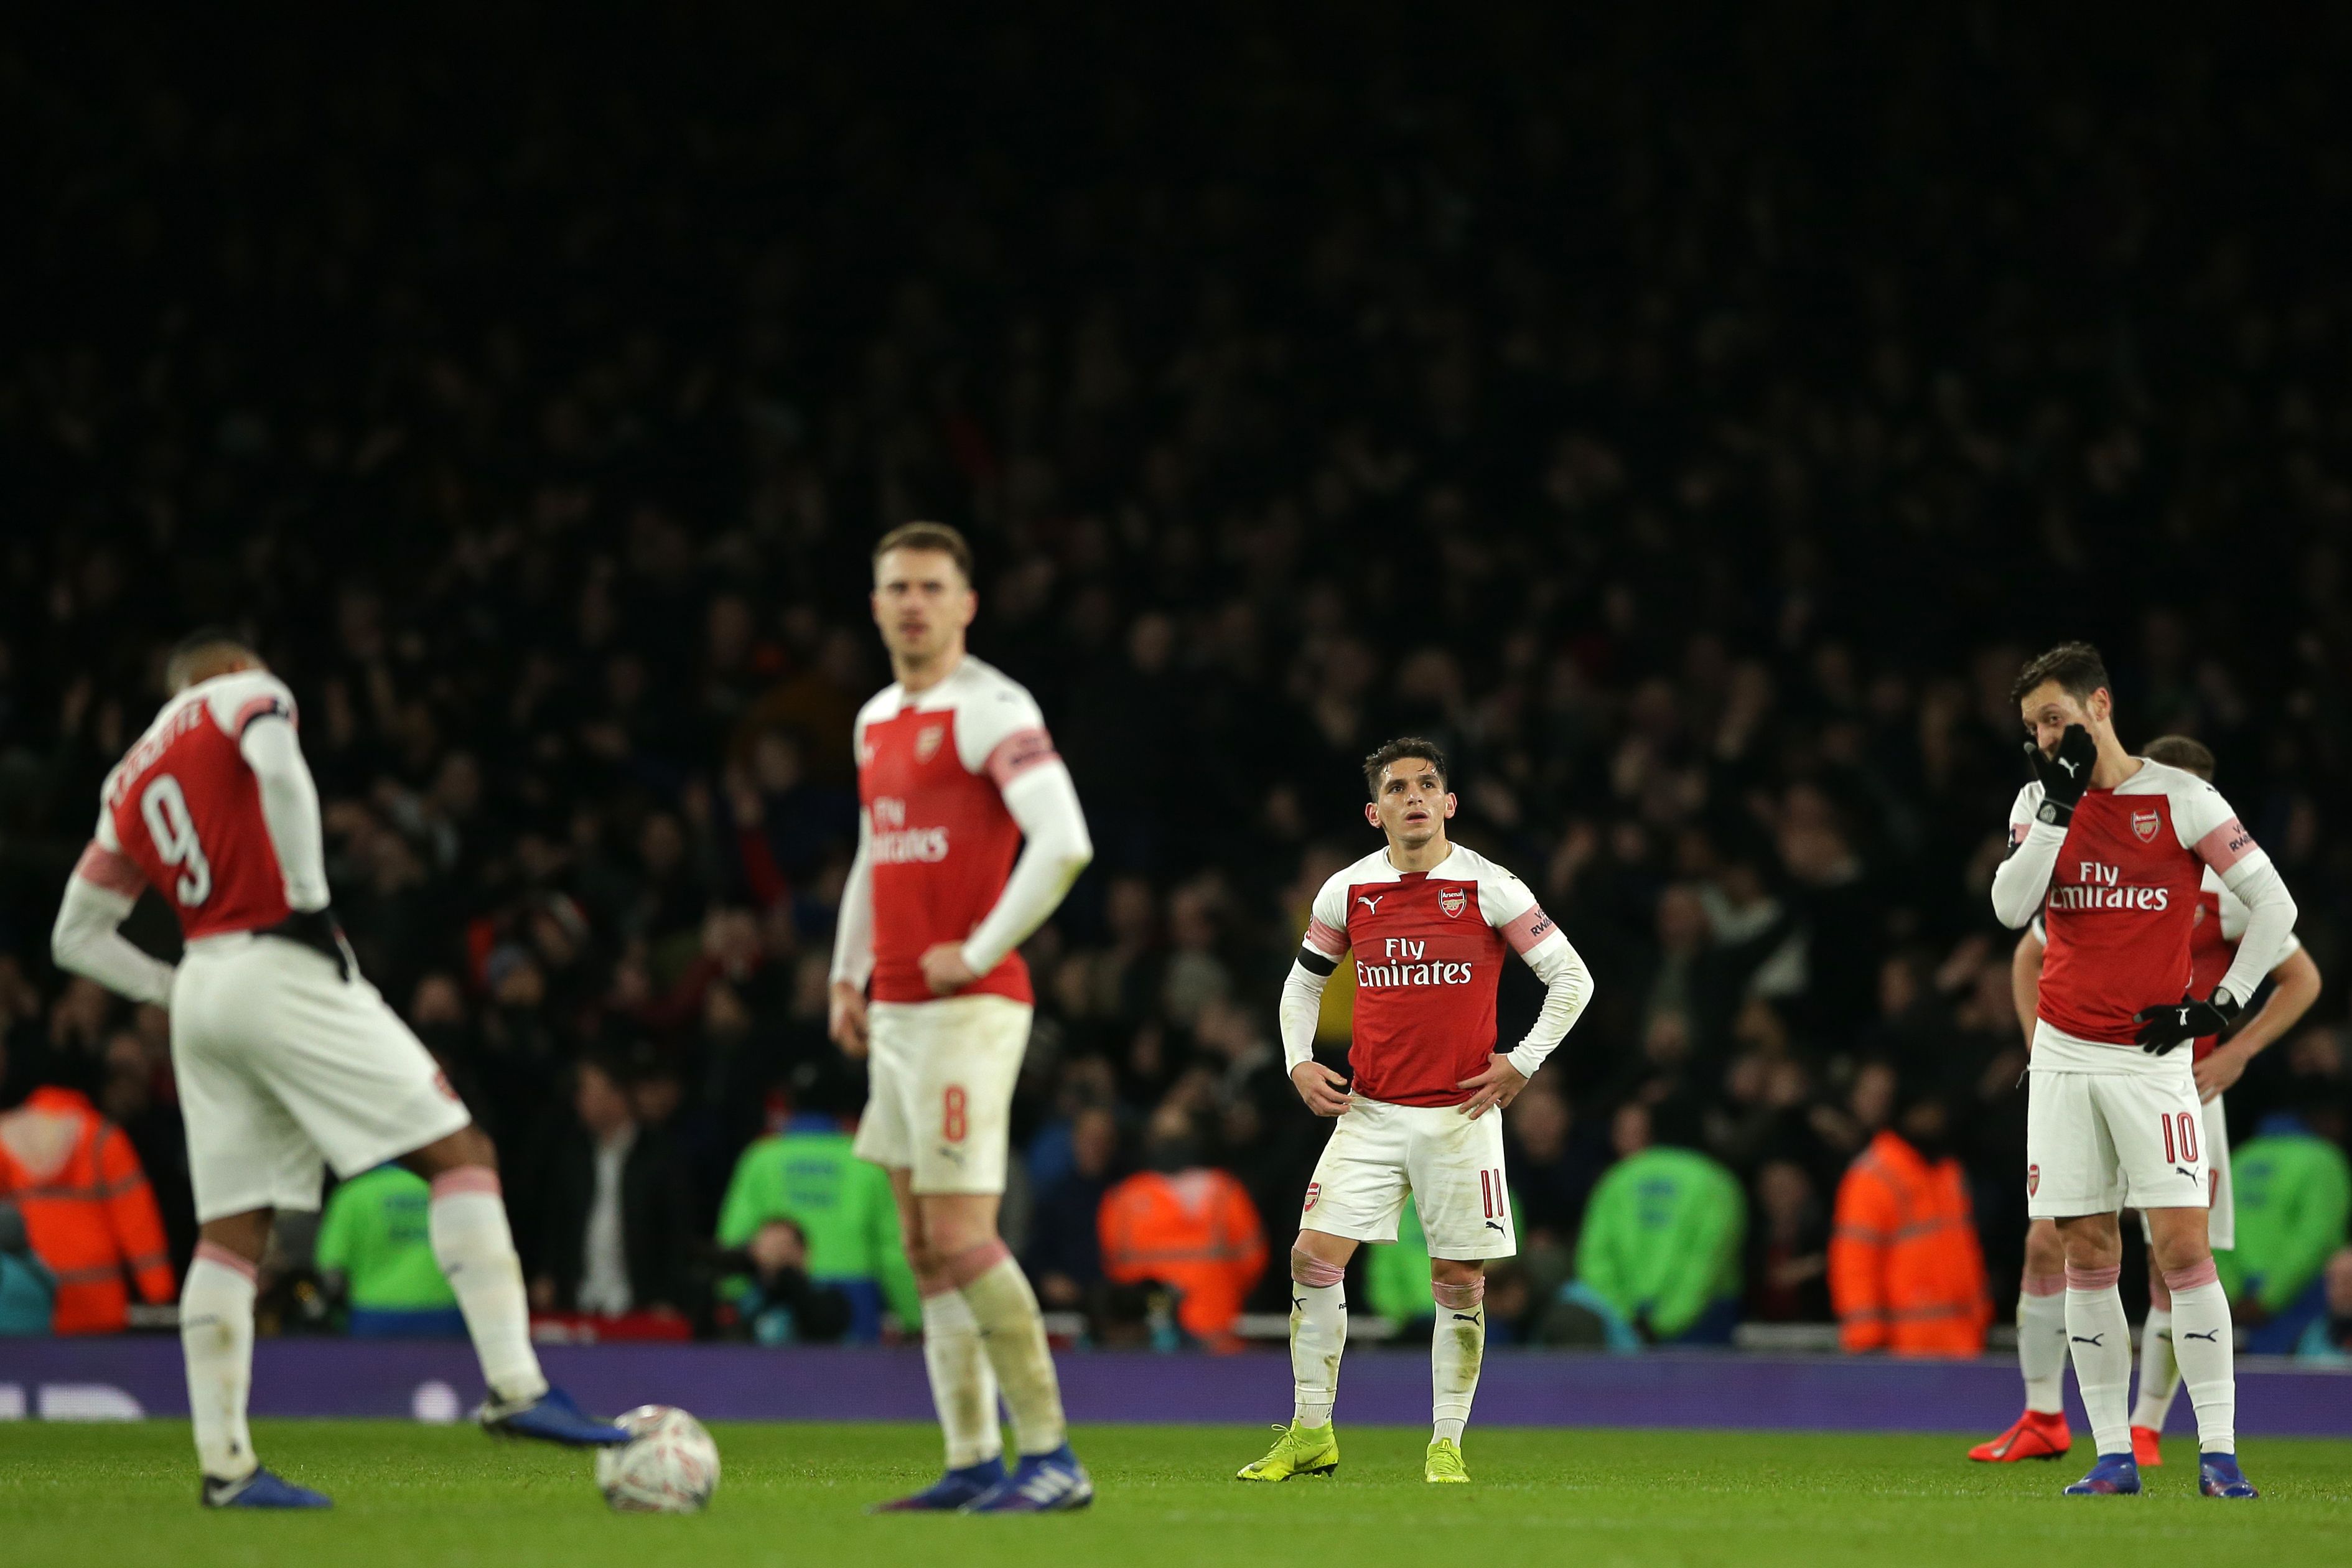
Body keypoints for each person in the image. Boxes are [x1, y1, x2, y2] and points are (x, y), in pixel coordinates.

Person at [47, 631, 626, 1510]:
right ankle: (519, 1387)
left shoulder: (126, 778)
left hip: (205, 983)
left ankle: (228, 1468)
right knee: (461, 1153)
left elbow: (74, 936)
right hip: (282, 961)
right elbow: (279, 768)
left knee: (231, 1231)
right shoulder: (246, 695)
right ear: (233, 669)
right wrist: (312, 906)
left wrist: (174, 986)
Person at [826, 524, 1097, 1513]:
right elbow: (877, 846)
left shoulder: (991, 708)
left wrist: (979, 950)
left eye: (932, 587)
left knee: (961, 1229)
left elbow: (1064, 842)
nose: (912, 603)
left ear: (966, 604)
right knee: (921, 1240)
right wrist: (848, 974)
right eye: (896, 586)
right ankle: (974, 1460)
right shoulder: (873, 721)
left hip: (968, 1011)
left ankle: (1054, 1457)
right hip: (896, 1013)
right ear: (875, 602)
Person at [1238, 736, 1594, 1486]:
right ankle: (1310, 1433)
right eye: (1398, 788)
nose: (1414, 798)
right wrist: (1298, 1060)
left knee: (1459, 1280)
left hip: (1458, 1117)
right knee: (1310, 1258)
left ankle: (1446, 1445)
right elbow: (1303, 984)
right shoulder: (1348, 891)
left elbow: (1572, 978)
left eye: (1427, 784)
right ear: (1376, 812)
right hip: (1368, 1113)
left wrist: (1522, 1063)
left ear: (1450, 803)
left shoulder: (1489, 887)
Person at [1987, 643, 2297, 1498]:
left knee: (2183, 1245)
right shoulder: (2037, 802)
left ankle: (2220, 1454)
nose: (2047, 737)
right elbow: (2012, 909)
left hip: (2152, 1060)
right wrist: (2053, 809)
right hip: (2062, 1056)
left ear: (2100, 705)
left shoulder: (2183, 798)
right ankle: (2114, 1455)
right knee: (2086, 1244)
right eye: (2034, 727)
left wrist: (2224, 1004)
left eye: (2056, 717)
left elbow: (2276, 908)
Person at [714, 1099, 920, 1340]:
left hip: (775, 1293)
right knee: (855, 1377)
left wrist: (735, 1296)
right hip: (856, 1298)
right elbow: (893, 1249)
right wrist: (912, 1317)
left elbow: (733, 1237)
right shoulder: (865, 1159)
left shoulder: (761, 1157)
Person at [0, 1063, 174, 1333]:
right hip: (99, 1299)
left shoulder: (6, 1135)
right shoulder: (101, 1137)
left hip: (27, 1299)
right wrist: (158, 1291)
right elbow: (137, 1221)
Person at [1829, 1083, 1990, 1356]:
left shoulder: (1946, 1172)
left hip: (1961, 1344)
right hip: (1902, 1352)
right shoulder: (1873, 1175)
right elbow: (1855, 1261)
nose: (1935, 1120)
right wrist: (1866, 1341)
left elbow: (1964, 1254)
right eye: (1927, 1111)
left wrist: (1979, 1319)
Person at [1569, 1099, 1746, 1346]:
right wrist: (1666, 1322)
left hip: (1620, 1329)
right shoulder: (1717, 1184)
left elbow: (1594, 1258)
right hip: (1701, 1326)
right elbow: (1707, 1262)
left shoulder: (1618, 1178)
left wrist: (1625, 1318)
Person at [530, 1055, 694, 1320]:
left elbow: (676, 1232)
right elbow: (556, 1222)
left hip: (641, 1305)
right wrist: (547, 1274)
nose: (579, 1100)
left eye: (587, 1090)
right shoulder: (572, 1155)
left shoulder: (661, 1155)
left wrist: (670, 1297)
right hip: (580, 1301)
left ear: (618, 1095)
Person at [1096, 1102, 1267, 1350]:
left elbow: (1114, 1268)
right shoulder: (1224, 1190)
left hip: (1181, 1338)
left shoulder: (1122, 1197)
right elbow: (1252, 1263)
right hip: (1180, 1335)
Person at [2219, 1103, 2351, 1353]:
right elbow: (2315, 1237)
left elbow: (2212, 1229)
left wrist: (2234, 1294)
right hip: (2304, 1296)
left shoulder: (2239, 1157)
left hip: (2237, 1301)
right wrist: (2268, 1298)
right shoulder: (2323, 1159)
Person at [314, 1164, 465, 1337]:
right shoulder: (448, 1191)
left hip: (373, 1314)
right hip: (446, 1313)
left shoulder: (353, 1193)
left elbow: (332, 1271)